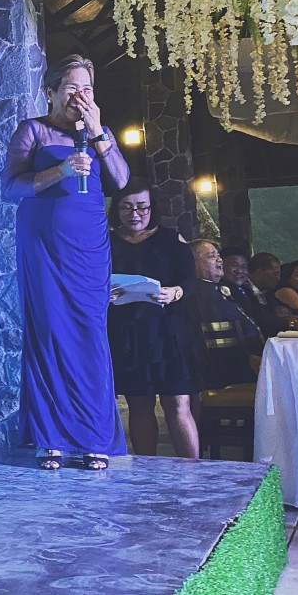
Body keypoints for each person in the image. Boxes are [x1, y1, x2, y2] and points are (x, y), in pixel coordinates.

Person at [3, 54, 130, 470]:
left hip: (89, 246)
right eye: (72, 88)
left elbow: (121, 179)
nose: (80, 96)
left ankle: (95, 438)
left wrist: (98, 133)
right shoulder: (33, 130)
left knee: (91, 334)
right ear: (52, 91)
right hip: (44, 246)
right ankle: (51, 439)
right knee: (50, 333)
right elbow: (10, 187)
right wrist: (60, 171)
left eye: (87, 89)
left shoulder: (99, 132)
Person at [107, 179, 200, 459]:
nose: (134, 214)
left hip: (168, 330)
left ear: (152, 208)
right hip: (128, 332)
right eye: (126, 207)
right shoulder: (106, 241)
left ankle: (193, 471)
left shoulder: (170, 239)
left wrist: (176, 291)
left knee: (178, 403)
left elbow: (190, 279)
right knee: (139, 404)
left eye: (141, 207)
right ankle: (146, 470)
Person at [186, 239, 263, 390]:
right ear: (192, 263)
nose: (219, 259)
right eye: (211, 256)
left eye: (218, 255)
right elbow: (206, 347)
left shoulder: (222, 291)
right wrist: (247, 358)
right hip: (226, 375)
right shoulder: (195, 298)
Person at [249, 252, 298, 332]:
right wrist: (292, 323)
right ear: (259, 273)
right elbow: (263, 319)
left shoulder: (268, 293)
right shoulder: (244, 293)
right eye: (275, 274)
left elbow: (288, 312)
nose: (278, 278)